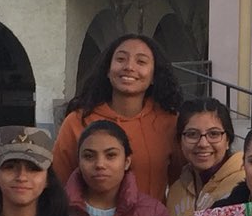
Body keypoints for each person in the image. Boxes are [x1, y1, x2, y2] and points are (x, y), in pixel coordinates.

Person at [51, 32, 183, 201]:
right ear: (107, 70)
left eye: (141, 62)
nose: (129, 67)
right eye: (121, 59)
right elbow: (58, 185)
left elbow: (182, 186)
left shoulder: (170, 122)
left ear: (154, 76)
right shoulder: (77, 121)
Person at [165, 97, 245, 216]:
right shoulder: (176, 191)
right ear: (180, 141)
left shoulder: (246, 185)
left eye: (213, 134)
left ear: (228, 140)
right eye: (192, 134)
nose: (203, 144)